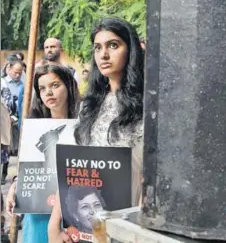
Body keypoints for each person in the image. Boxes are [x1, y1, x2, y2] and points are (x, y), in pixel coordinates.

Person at [48, 17, 144, 243]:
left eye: (113, 45)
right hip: (86, 223)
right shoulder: (89, 105)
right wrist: (56, 222)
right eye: (98, 48)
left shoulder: (147, 106)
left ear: (130, 50)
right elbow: (75, 168)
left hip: (129, 221)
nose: (103, 55)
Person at [5, 63, 80, 243]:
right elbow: (27, 166)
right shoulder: (34, 127)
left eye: (55, 85)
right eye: (42, 88)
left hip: (73, 211)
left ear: (68, 86)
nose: (48, 92)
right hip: (37, 211)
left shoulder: (84, 125)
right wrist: (15, 185)